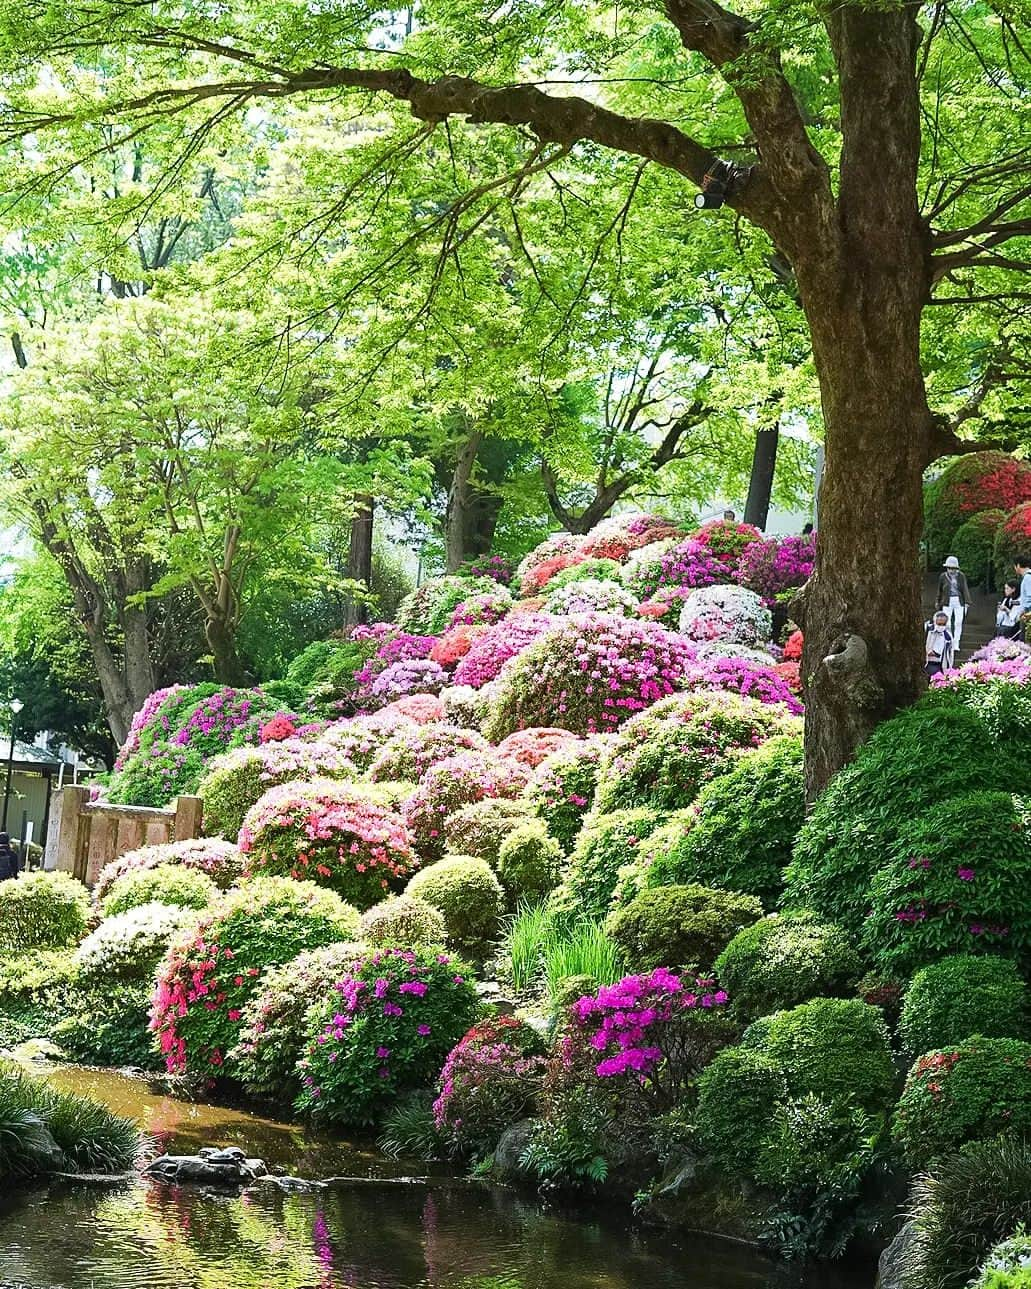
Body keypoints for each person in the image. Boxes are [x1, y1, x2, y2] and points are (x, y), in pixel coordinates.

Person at [936, 555, 972, 652]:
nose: (951, 570)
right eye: (949, 568)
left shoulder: (961, 576)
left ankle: (956, 643)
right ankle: (949, 642)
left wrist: (967, 601)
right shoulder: (943, 576)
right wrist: (938, 601)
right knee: (947, 623)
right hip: (946, 601)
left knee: (958, 622)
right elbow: (939, 590)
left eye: (953, 568)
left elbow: (964, 588)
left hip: (959, 601)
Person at [924, 609, 954, 677]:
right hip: (926, 662)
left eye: (943, 624)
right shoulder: (927, 630)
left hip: (940, 664)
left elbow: (950, 653)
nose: (941, 626)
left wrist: (949, 667)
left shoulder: (948, 636)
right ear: (935, 621)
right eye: (939, 624)